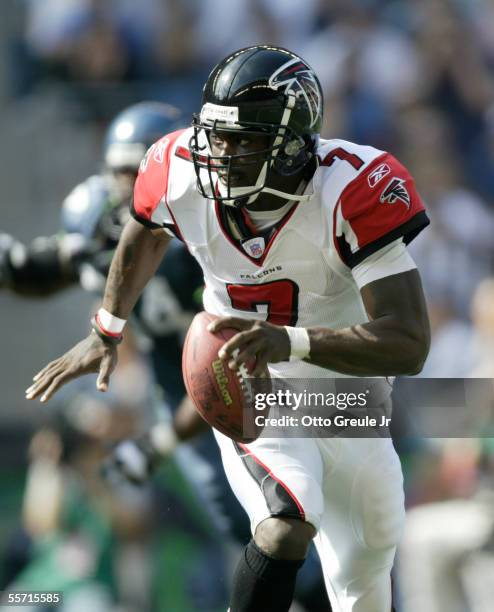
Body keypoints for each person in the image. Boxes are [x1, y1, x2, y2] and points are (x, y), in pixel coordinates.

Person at [26, 45, 431, 611]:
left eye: (243, 140)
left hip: (348, 386)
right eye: (217, 136)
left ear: (291, 144)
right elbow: (144, 229)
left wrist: (291, 340)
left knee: (367, 568)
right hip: (250, 378)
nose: (222, 152)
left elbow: (409, 343)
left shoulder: (351, 188)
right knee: (286, 519)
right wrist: (107, 326)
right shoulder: (179, 171)